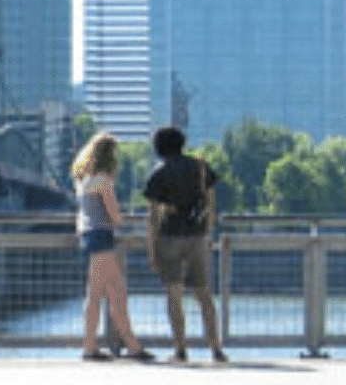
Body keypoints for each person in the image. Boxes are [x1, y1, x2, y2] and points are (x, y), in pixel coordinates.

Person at [143, 126, 228, 363]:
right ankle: (216, 348)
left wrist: (151, 250)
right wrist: (207, 231)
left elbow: (152, 218)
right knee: (204, 295)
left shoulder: (158, 174)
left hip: (170, 237)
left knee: (173, 295)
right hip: (197, 237)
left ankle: (181, 349)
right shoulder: (200, 167)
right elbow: (212, 204)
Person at [71, 132, 151, 361]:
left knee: (111, 294)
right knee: (103, 294)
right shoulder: (104, 180)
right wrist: (123, 218)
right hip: (102, 235)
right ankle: (94, 347)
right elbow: (115, 215)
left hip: (88, 234)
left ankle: (128, 344)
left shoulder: (83, 179)